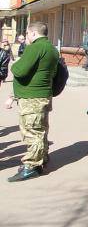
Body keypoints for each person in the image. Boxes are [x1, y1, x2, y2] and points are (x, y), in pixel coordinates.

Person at [4, 22, 60, 182]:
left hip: (32, 97)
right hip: (43, 94)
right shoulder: (52, 49)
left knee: (32, 132)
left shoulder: (35, 47)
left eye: (28, 34)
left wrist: (15, 65)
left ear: (33, 33)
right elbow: (54, 73)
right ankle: (41, 160)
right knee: (41, 130)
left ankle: (31, 166)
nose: (27, 37)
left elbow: (19, 70)